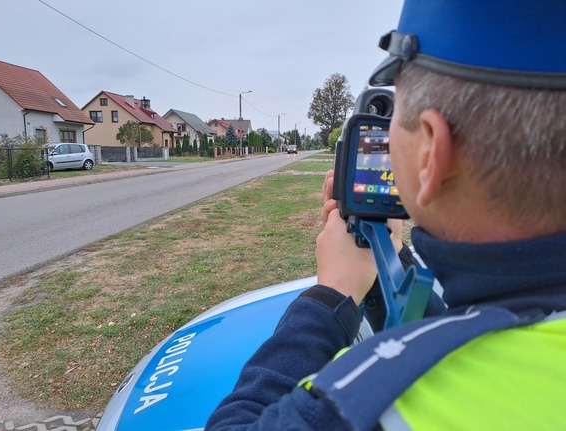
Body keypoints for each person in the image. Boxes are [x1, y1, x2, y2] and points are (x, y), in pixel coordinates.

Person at [206, 0, 566, 429]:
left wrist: (331, 296)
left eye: (398, 118)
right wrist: (395, 257)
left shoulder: (365, 407)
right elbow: (489, 322)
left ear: (432, 152)